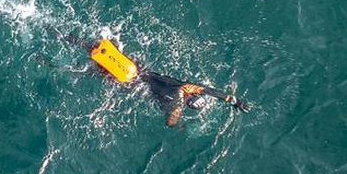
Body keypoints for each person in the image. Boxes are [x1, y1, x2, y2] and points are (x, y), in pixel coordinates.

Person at [58, 34, 251, 127]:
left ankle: (66, 38)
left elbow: (210, 91)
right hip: (130, 82)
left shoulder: (186, 90)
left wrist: (234, 101)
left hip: (137, 70)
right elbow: (171, 122)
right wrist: (180, 125)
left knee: (96, 51)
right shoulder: (178, 103)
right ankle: (57, 65)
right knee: (91, 71)